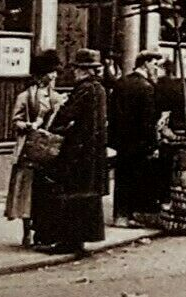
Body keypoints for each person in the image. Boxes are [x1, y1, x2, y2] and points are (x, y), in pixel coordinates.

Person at [34, 49, 110, 254]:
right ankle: (80, 239)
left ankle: (69, 241)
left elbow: (66, 116)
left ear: (82, 70)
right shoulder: (99, 89)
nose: (74, 72)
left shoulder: (84, 89)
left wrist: (58, 115)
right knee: (86, 197)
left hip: (78, 152)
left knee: (72, 195)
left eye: (76, 68)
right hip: (93, 151)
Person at [6, 50, 63, 247]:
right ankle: (26, 232)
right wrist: (27, 125)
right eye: (51, 72)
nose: (54, 76)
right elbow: (16, 121)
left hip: (49, 149)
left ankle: (43, 230)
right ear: (42, 74)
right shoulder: (25, 97)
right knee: (26, 191)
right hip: (28, 148)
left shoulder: (57, 97)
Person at [110, 51, 163, 226]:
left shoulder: (121, 83)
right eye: (154, 64)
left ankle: (120, 216)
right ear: (146, 63)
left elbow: (112, 113)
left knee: (122, 177)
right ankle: (132, 215)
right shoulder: (146, 87)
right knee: (136, 177)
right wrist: (153, 144)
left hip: (121, 140)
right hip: (140, 141)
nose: (156, 68)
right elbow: (148, 120)